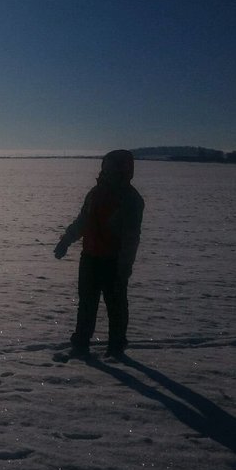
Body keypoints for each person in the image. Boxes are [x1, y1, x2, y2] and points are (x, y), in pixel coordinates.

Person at [53, 150, 144, 358]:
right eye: (105, 166)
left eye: (110, 166)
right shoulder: (95, 193)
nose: (105, 170)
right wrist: (66, 240)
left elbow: (131, 239)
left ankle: (116, 348)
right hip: (90, 258)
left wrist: (124, 267)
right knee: (86, 304)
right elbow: (83, 222)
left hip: (114, 262)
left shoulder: (131, 199)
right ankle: (80, 345)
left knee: (116, 307)